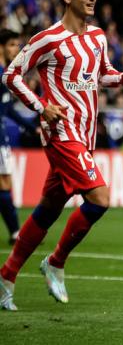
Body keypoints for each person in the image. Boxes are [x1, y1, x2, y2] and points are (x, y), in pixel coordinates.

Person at [0, 0, 123, 312]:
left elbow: (101, 73)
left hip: (86, 134)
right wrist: (41, 106)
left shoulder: (97, 37)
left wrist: (122, 77)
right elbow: (11, 75)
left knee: (47, 212)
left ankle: (6, 276)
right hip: (62, 134)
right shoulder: (47, 39)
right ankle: (56, 261)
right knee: (100, 198)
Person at [0, 29, 39, 245]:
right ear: (2, 46)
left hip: (2, 136)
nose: (16, 49)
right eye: (13, 45)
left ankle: (16, 232)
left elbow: (10, 110)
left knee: (5, 182)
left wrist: (31, 127)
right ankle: (16, 232)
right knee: (3, 182)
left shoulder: (5, 73)